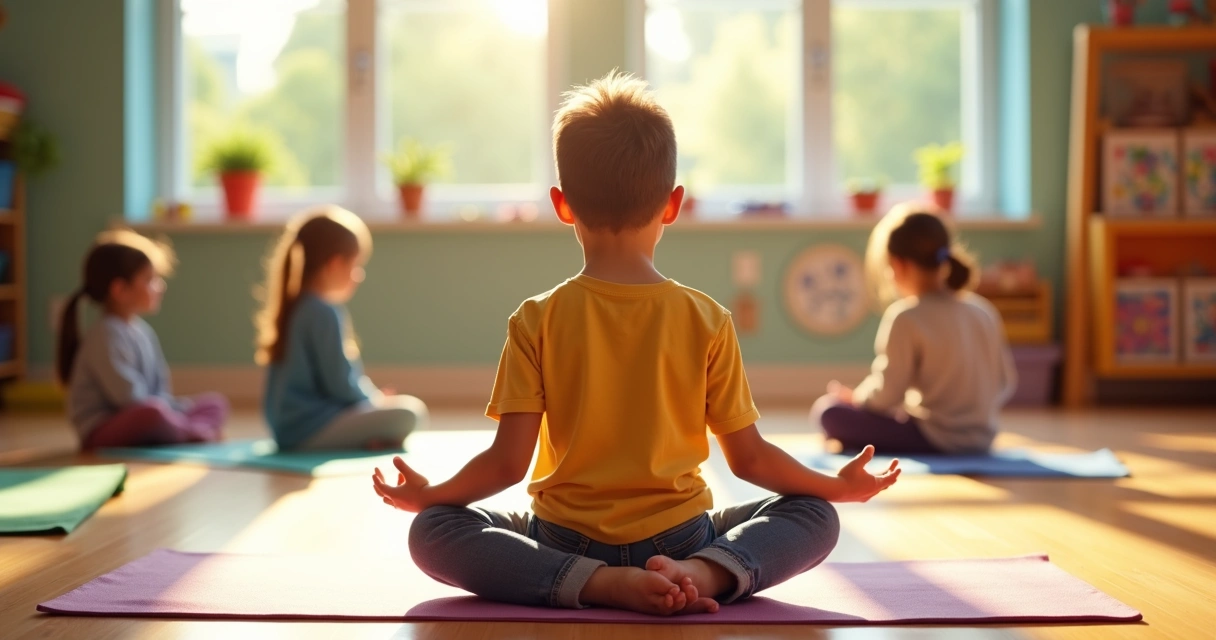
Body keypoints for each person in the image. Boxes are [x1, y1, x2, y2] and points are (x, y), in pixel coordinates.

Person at [373, 72, 900, 616]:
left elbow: (507, 464)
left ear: (561, 205)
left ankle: (593, 583)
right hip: (680, 537)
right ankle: (702, 573)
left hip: (561, 541)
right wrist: (834, 486)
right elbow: (750, 458)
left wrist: (429, 496)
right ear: (672, 204)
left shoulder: (536, 319)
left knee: (433, 529)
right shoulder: (708, 319)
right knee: (815, 516)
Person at [813, 205, 1017, 454]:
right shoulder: (983, 311)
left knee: (829, 412)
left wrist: (856, 398)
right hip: (983, 438)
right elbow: (1005, 383)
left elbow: (886, 396)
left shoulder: (906, 316)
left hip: (935, 438)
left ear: (898, 265)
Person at [257, 206, 427, 451]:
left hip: (286, 428)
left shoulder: (296, 306)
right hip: (307, 429)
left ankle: (368, 436)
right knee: (411, 412)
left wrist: (371, 402)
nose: (359, 275)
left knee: (395, 411)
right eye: (356, 265)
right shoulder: (322, 311)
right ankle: (369, 437)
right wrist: (375, 402)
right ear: (335, 264)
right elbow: (340, 384)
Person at [59, 229, 227, 449]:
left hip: (146, 414)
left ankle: (177, 429)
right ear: (120, 290)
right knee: (153, 414)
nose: (160, 286)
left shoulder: (143, 332)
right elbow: (127, 398)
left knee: (216, 404)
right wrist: (167, 414)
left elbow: (159, 389)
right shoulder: (105, 334)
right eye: (149, 280)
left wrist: (176, 408)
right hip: (102, 429)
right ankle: (185, 432)